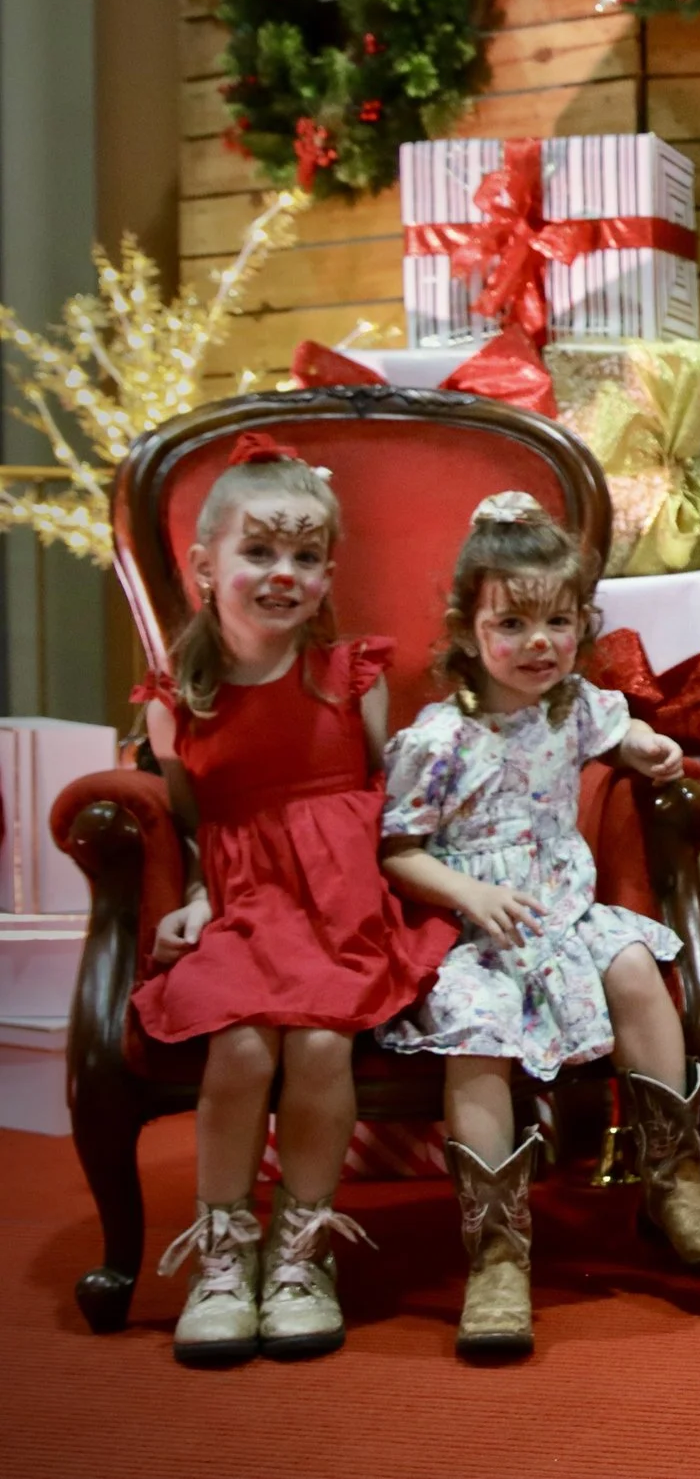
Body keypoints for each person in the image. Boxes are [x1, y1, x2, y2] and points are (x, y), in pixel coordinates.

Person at [379, 492, 700, 1359]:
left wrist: (649, 751)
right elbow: (396, 849)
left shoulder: (575, 706)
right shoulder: (440, 739)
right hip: (479, 927)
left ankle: (675, 1179)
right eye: (512, 623)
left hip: (566, 907)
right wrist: (467, 896)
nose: (538, 642)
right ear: (468, 629)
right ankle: (498, 1252)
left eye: (558, 621)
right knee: (475, 1036)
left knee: (631, 960)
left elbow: (618, 734)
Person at [135, 434, 452, 1365]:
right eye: (260, 553)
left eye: (306, 557)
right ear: (205, 565)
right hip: (243, 905)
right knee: (238, 1041)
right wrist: (193, 892)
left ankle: (302, 1249)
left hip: (338, 906)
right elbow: (191, 823)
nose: (284, 575)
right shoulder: (177, 699)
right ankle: (224, 1250)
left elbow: (389, 806)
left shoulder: (349, 677)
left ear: (328, 571)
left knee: (319, 1044)